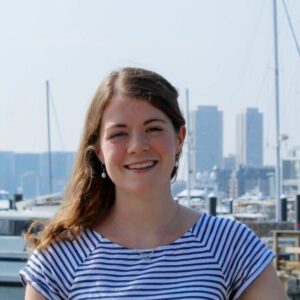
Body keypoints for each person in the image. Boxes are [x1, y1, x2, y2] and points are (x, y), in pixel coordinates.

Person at [20, 67, 288, 300]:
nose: (137, 146)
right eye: (119, 134)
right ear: (99, 151)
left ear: (180, 137)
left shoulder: (230, 243)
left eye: (153, 129)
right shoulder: (59, 257)